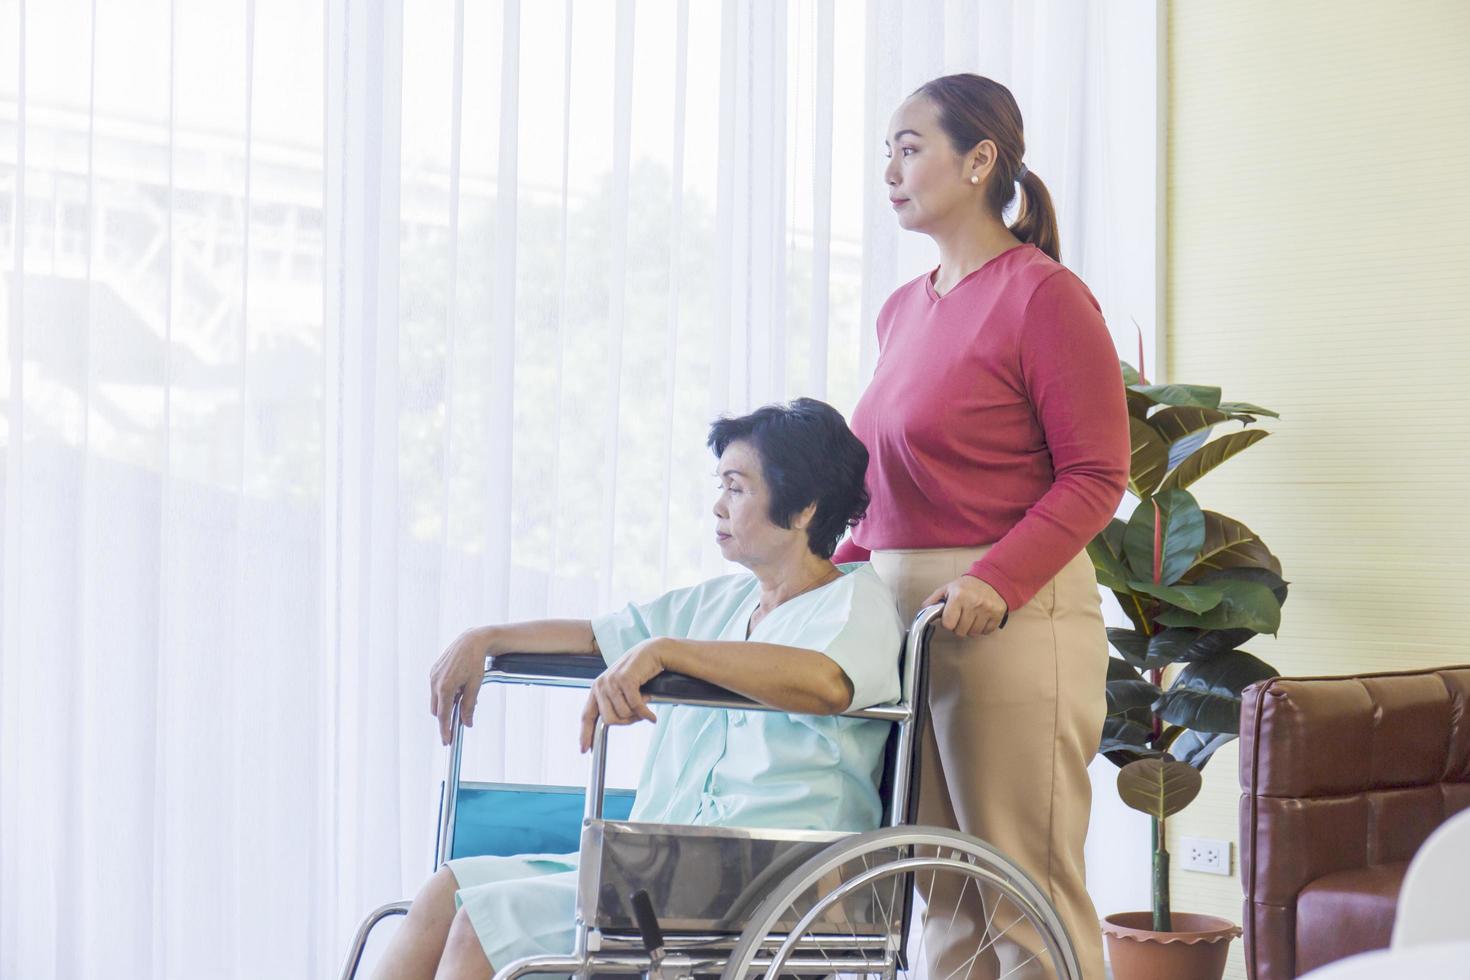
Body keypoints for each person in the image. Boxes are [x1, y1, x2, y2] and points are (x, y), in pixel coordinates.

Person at [371, 398, 904, 980]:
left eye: (736, 488)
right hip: (668, 866)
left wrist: (667, 651)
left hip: (780, 879)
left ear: (803, 508)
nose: (718, 505)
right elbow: (596, 636)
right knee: (445, 891)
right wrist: (486, 637)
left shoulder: (859, 604)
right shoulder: (721, 602)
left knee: (485, 923)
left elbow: (825, 682)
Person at [830, 74, 1129, 980]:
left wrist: (995, 582)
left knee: (1023, 895)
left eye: (910, 147)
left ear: (981, 160)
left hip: (1010, 614)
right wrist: (823, 582)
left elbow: (1096, 475)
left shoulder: (1045, 297)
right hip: (905, 622)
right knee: (943, 898)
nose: (889, 168)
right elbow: (878, 485)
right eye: (887, 149)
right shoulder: (902, 309)